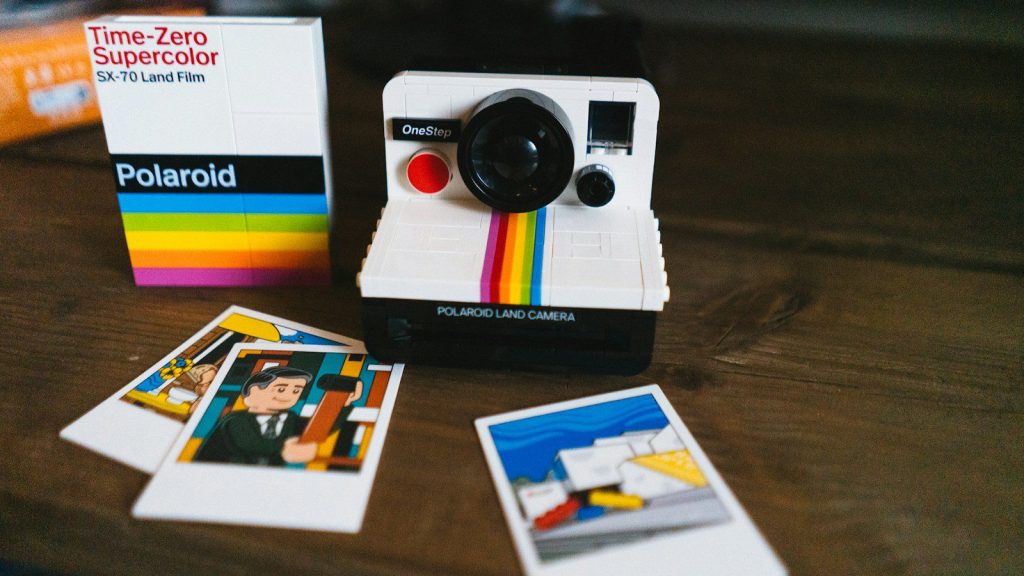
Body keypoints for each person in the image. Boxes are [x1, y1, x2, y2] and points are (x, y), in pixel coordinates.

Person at [194, 366, 318, 466]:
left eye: (296, 391)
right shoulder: (235, 420)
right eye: (280, 389)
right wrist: (286, 450)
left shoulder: (290, 418)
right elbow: (256, 446)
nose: (288, 396)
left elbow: (321, 424)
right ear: (254, 391)